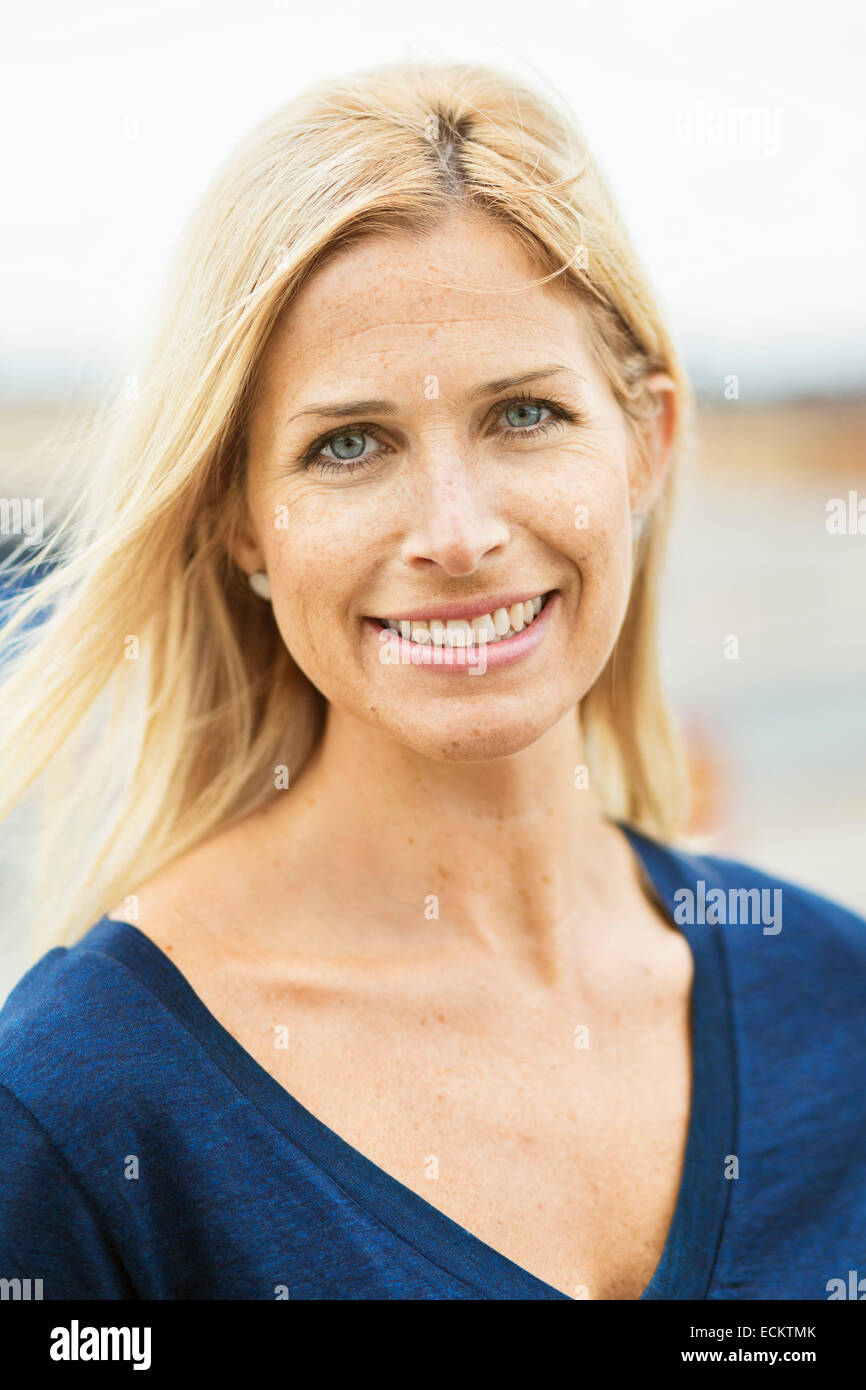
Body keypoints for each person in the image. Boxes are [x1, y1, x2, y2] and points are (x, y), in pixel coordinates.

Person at [0, 60, 863, 1302]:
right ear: (241, 520)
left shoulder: (837, 997)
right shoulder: (80, 1114)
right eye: (347, 444)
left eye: (522, 415)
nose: (455, 534)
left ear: (647, 442)